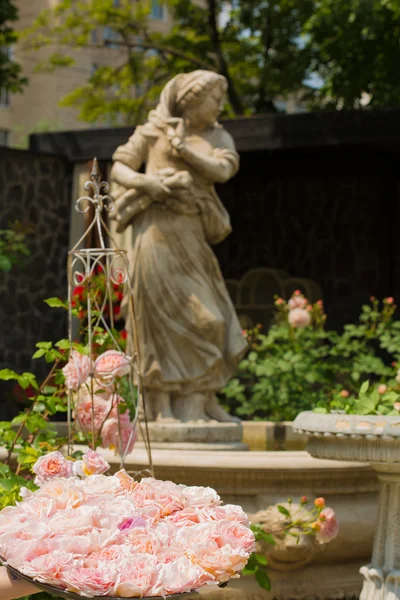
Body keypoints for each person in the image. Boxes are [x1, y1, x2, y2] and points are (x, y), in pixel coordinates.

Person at [111, 70, 247, 423]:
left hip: (190, 234)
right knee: (155, 318)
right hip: (154, 233)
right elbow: (120, 167)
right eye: (214, 98)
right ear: (192, 100)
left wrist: (185, 149)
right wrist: (149, 182)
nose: (219, 105)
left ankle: (198, 400)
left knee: (210, 318)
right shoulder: (154, 130)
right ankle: (161, 406)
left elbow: (222, 170)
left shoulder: (218, 136)